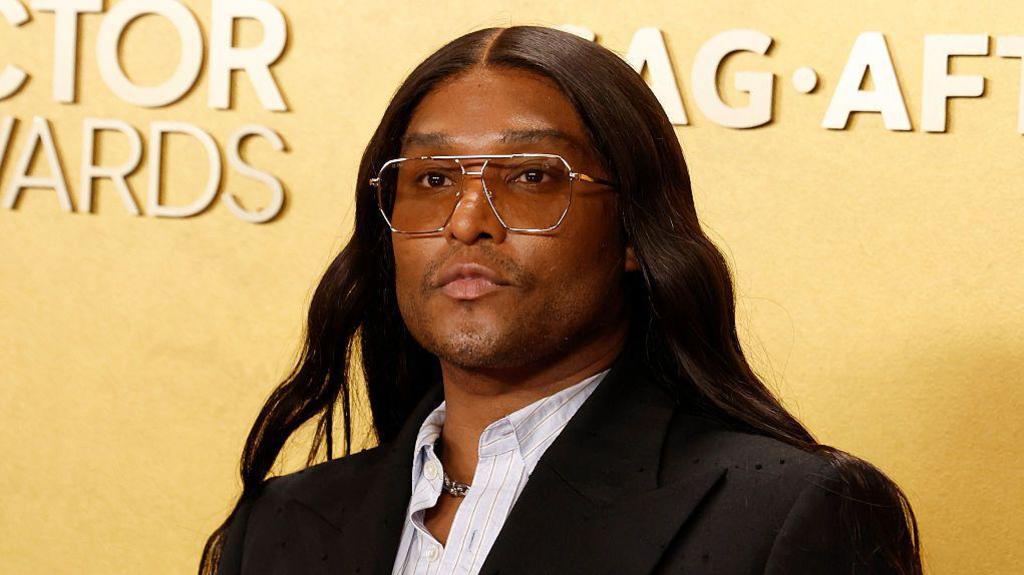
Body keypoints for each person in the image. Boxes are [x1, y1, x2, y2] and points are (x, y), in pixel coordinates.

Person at [200, 25, 922, 575]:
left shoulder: (785, 514)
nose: (467, 219)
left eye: (533, 176)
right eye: (430, 180)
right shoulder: (281, 525)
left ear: (635, 232)